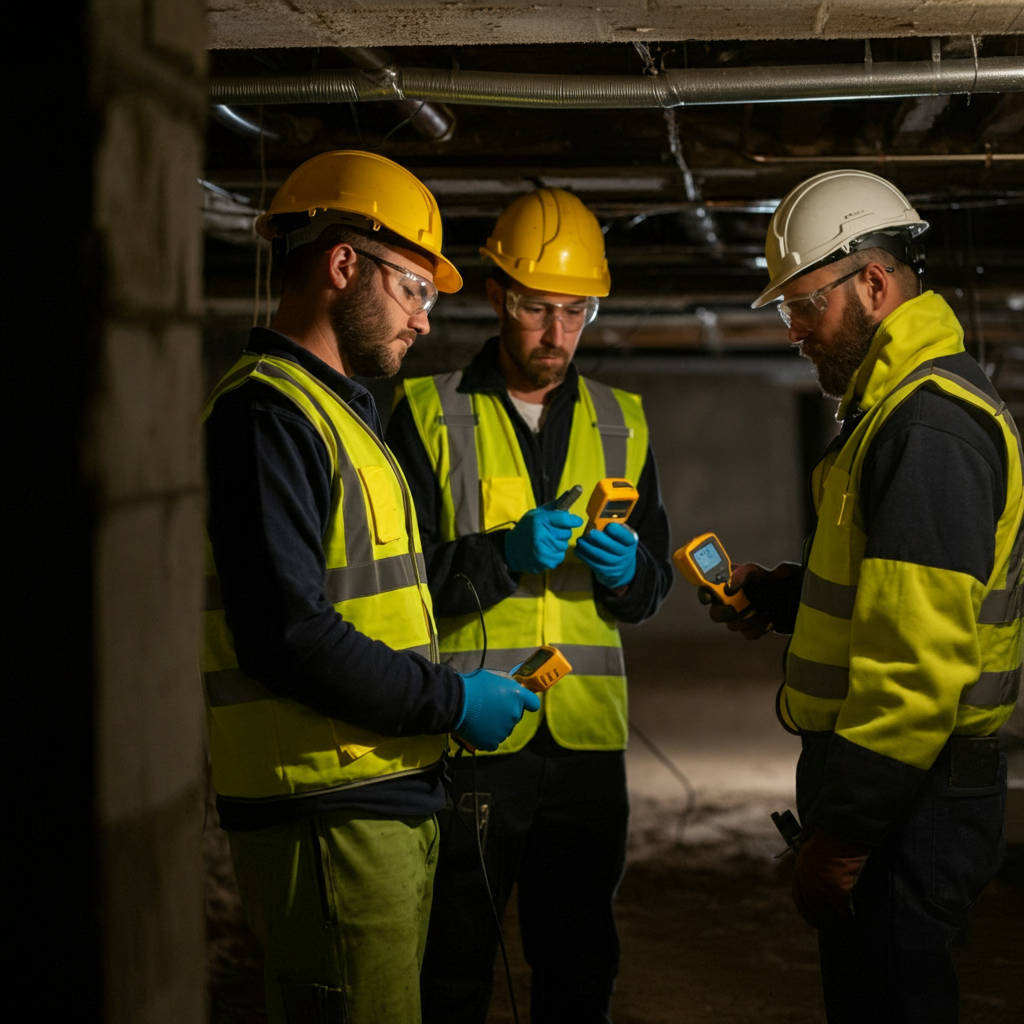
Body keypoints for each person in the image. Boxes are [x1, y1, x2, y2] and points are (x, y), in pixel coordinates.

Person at [202, 150, 540, 1024]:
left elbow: (387, 594)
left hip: (373, 799)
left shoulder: (337, 415)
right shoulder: (267, 415)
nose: (427, 322)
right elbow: (289, 634)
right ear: (344, 264)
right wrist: (452, 700)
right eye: (415, 290)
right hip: (325, 808)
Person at [702, 169, 1022, 1023]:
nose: (796, 332)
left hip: (910, 800)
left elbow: (916, 668)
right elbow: (891, 598)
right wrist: (791, 598)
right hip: (905, 791)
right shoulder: (895, 413)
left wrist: (841, 837)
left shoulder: (928, 425)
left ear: (873, 284)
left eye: (803, 305)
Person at [386, 187, 673, 1023]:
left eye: (576, 311)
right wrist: (501, 556)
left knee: (580, 965)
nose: (557, 334)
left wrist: (629, 573)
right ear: (498, 297)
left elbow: (648, 593)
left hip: (585, 745)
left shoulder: (626, 423)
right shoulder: (425, 413)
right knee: (452, 965)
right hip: (474, 736)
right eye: (538, 308)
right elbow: (397, 594)